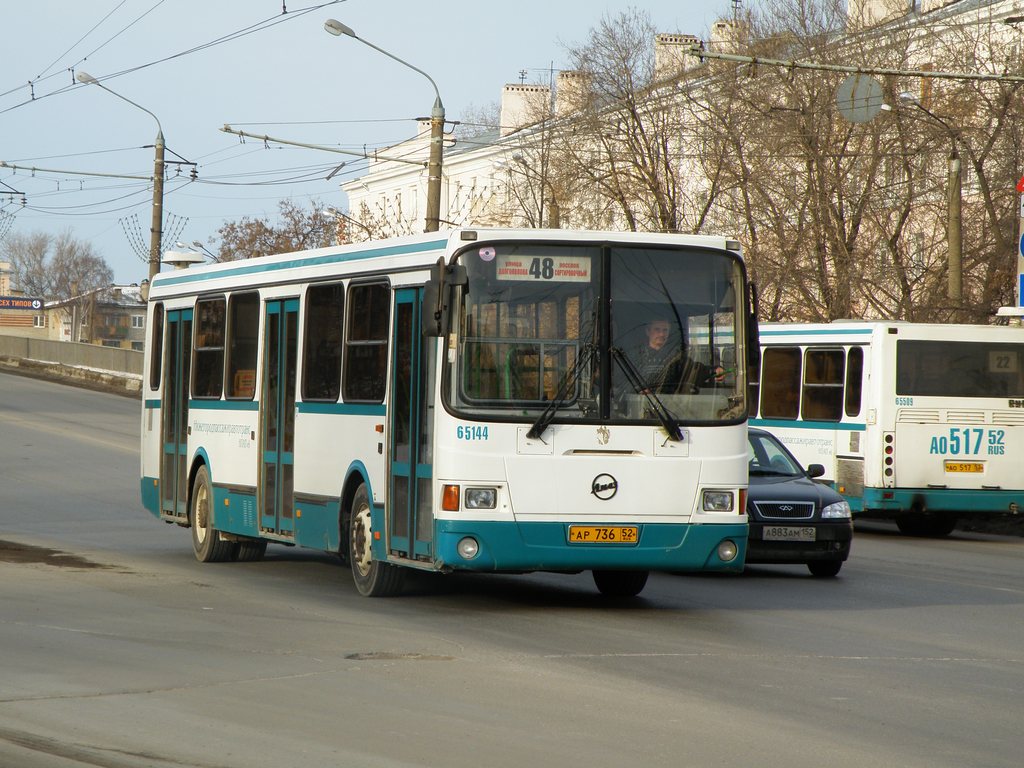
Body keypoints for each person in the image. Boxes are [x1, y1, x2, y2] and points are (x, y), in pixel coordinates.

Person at [633, 318, 724, 394]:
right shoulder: (637, 355)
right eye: (657, 329)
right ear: (648, 331)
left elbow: (692, 371)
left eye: (665, 330)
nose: (661, 334)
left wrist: (714, 370)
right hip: (640, 403)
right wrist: (638, 390)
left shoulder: (674, 356)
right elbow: (626, 382)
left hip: (668, 406)